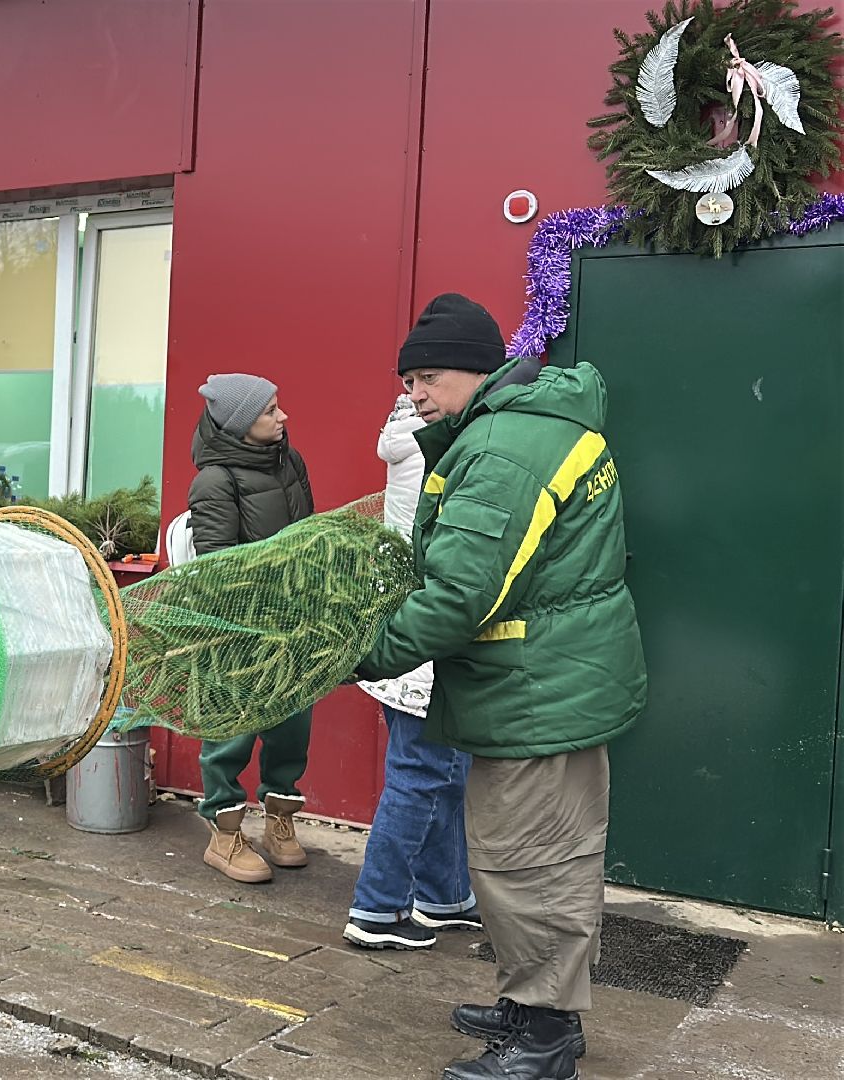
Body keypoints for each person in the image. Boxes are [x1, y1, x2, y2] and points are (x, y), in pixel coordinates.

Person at [354, 293, 645, 1080]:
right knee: (533, 856)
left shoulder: (506, 449)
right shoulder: (530, 426)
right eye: (409, 379)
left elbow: (462, 594)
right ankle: (531, 1006)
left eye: (428, 377)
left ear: (478, 371)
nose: (414, 393)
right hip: (546, 684)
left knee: (532, 865)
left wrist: (361, 652)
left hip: (538, 692)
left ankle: (545, 1039)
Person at [345, 394, 478, 951]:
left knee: (441, 775)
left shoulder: (407, 434)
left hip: (401, 637)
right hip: (426, 642)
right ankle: (377, 907)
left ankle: (444, 896)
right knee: (422, 775)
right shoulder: (445, 446)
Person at [187, 373, 315, 884]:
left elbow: (310, 530)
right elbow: (216, 566)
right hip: (240, 625)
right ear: (240, 424)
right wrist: (256, 611)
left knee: (292, 724)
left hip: (296, 620)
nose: (283, 418)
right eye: (270, 411)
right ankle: (224, 834)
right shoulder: (214, 481)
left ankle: (279, 822)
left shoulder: (290, 461)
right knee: (233, 728)